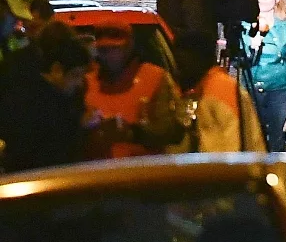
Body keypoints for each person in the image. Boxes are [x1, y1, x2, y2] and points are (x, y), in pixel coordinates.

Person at [82, 21, 185, 159]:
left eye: (115, 49)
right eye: (104, 50)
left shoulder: (155, 78)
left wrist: (132, 133)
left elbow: (172, 131)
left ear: (129, 47)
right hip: (97, 176)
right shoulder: (85, 82)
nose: (109, 56)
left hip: (142, 175)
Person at [0, 21, 90, 172]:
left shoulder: (55, 95)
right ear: (57, 69)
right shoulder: (34, 101)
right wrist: (79, 124)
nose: (79, 83)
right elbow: (45, 148)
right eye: (76, 76)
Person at [172, 31, 265, 153]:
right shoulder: (211, 87)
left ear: (196, 59)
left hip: (235, 170)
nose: (178, 70)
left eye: (180, 62)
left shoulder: (217, 90)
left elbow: (232, 150)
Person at [240, 0, 286, 153]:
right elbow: (241, 61)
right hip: (251, 89)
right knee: (252, 139)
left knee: (277, 140)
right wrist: (253, 45)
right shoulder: (244, 25)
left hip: (278, 90)